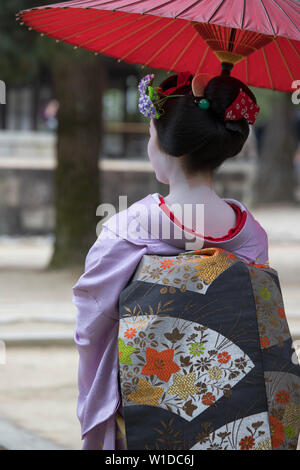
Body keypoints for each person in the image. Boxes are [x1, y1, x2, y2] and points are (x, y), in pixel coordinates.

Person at [72, 67, 270, 450]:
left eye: (150, 133)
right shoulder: (251, 236)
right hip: (230, 414)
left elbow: (92, 321)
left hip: (145, 415)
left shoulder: (130, 228)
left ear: (163, 144)